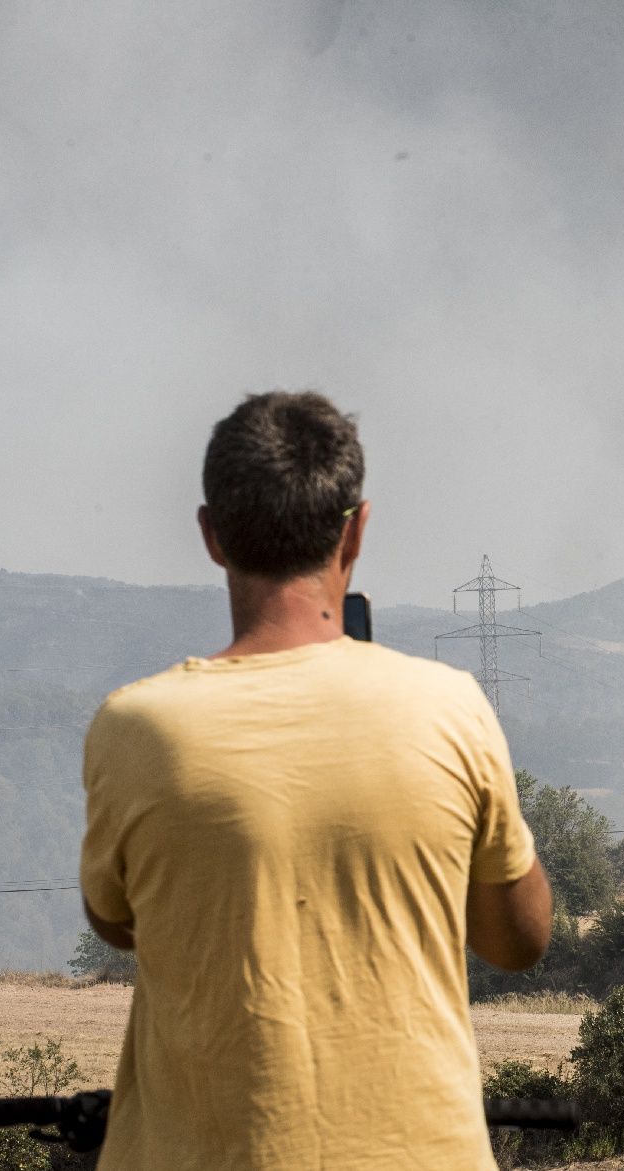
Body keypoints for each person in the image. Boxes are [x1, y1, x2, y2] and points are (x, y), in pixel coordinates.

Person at [79, 391, 552, 1171]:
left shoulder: (135, 729)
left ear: (212, 536)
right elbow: (519, 939)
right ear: (357, 528)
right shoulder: (448, 707)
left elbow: (118, 920)